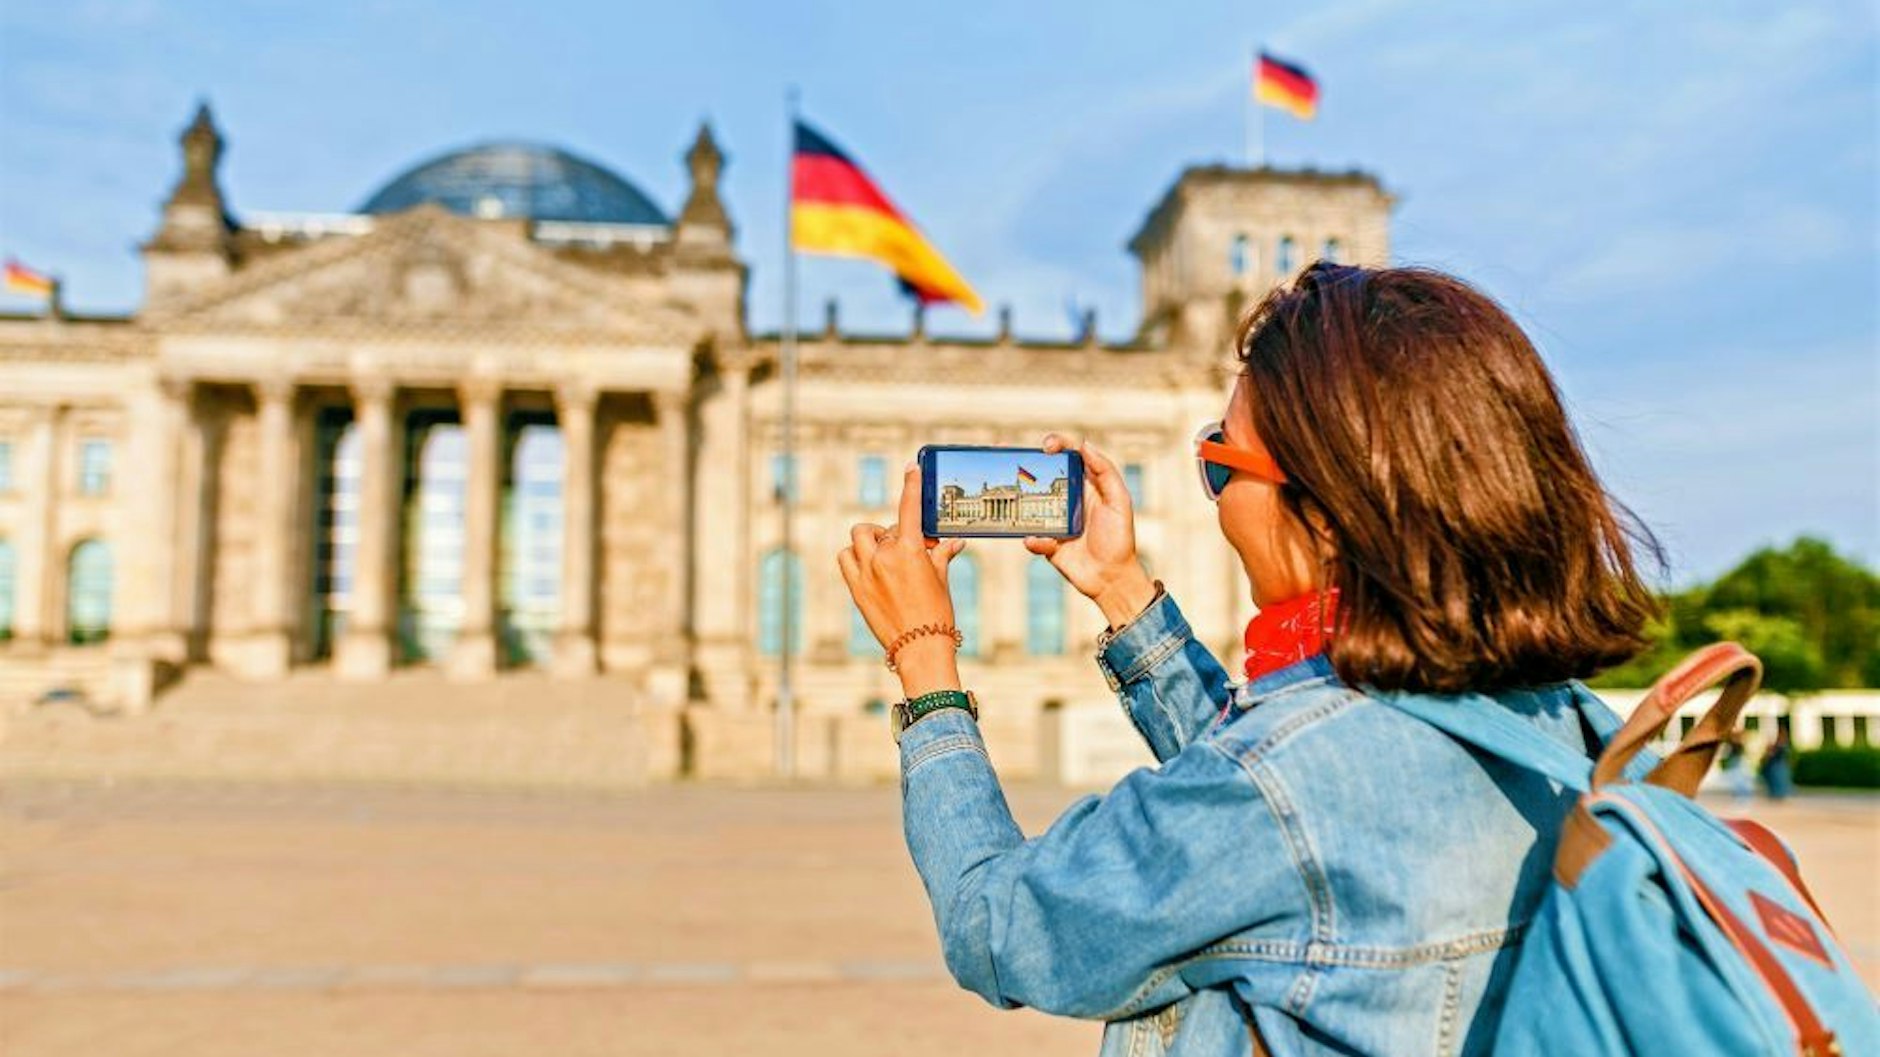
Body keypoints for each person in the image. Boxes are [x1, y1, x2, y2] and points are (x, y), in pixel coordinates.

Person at [838, 262, 1663, 1056]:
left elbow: (997, 926)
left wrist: (924, 658)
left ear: (1328, 512)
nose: (1216, 498)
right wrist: (1122, 591)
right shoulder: (1575, 727)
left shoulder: (1282, 787)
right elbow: (1282, 794)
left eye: (1221, 461)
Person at [1759, 727, 1795, 800]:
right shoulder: (1778, 744)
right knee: (1777, 782)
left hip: (1779, 766)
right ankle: (1777, 794)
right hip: (1776, 766)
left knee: (1780, 781)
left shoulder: (1782, 745)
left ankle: (1779, 794)